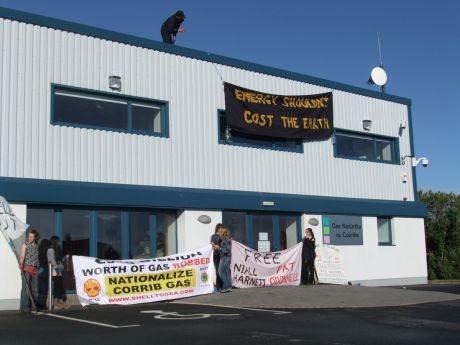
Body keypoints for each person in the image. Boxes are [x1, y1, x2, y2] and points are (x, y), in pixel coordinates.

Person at [19, 229, 40, 312]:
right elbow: (22, 255)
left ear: (35, 237)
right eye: (29, 236)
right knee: (26, 288)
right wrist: (21, 264)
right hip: (27, 268)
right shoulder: (25, 245)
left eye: (31, 236)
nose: (30, 238)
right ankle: (25, 306)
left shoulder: (37, 245)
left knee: (35, 288)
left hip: (35, 269)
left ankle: (34, 305)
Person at [47, 236, 67, 308]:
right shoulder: (51, 250)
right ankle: (56, 303)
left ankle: (58, 302)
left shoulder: (56, 250)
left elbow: (58, 260)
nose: (59, 243)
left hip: (57, 269)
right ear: (54, 242)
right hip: (55, 270)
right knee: (57, 285)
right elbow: (53, 262)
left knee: (58, 285)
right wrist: (58, 267)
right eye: (57, 241)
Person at [217, 227, 232, 293]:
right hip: (227, 257)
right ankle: (228, 287)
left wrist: (219, 248)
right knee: (226, 272)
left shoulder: (225, 241)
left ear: (222, 234)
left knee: (220, 271)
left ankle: (225, 287)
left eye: (220, 232)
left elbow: (227, 250)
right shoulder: (227, 240)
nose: (219, 234)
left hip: (225, 257)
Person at [37, 238, 50, 308]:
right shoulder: (47, 251)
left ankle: (39, 303)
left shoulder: (39, 250)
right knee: (44, 288)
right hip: (45, 268)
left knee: (41, 287)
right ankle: (42, 304)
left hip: (39, 269)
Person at [210, 223, 224, 291]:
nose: (222, 229)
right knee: (218, 270)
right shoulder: (214, 236)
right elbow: (212, 243)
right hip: (216, 255)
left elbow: (226, 245)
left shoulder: (223, 236)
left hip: (222, 255)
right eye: (221, 228)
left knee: (222, 270)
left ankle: (223, 285)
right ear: (218, 228)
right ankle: (219, 286)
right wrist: (213, 246)